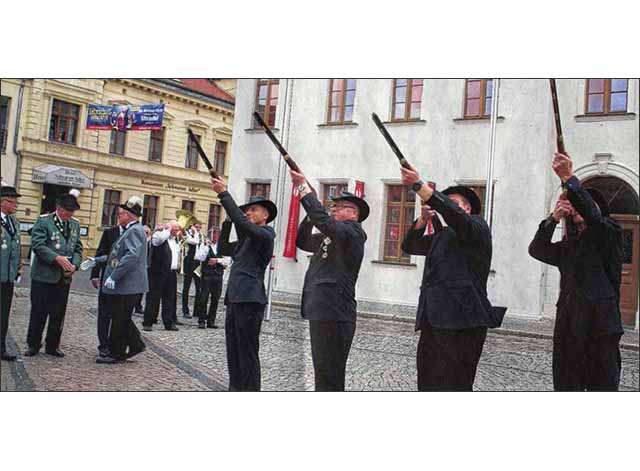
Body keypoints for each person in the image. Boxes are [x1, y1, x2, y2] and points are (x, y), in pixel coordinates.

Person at [400, 167, 506, 391]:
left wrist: (420, 186)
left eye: (453, 202)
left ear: (467, 207)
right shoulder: (443, 236)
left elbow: (457, 217)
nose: (445, 206)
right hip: (434, 320)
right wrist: (421, 221)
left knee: (455, 386)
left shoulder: (478, 227)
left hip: (463, 322)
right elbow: (410, 246)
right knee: (427, 384)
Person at [529, 152, 624, 391]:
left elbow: (594, 218)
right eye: (574, 205)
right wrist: (554, 217)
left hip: (600, 327)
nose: (576, 208)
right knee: (566, 385)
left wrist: (569, 178)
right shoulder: (570, 246)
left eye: (580, 203)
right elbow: (537, 250)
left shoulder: (609, 232)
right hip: (569, 326)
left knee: (602, 387)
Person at [290, 170, 369, 391]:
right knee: (322, 373)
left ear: (353, 213)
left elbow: (325, 222)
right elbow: (303, 241)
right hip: (322, 309)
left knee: (331, 374)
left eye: (339, 206)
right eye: (332, 206)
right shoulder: (332, 234)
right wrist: (309, 217)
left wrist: (304, 188)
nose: (333, 209)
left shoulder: (352, 232)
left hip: (336, 313)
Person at [213, 177, 276, 392]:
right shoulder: (246, 240)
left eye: (254, 210)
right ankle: (235, 388)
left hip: (250, 299)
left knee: (248, 351)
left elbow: (246, 226)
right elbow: (222, 248)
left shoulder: (266, 234)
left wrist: (224, 195)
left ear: (265, 215)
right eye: (247, 210)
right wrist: (228, 221)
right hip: (235, 298)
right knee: (234, 349)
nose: (249, 213)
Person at [25, 190, 83, 357]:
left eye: (72, 211)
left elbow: (78, 248)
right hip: (43, 276)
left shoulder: (74, 224)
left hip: (63, 278)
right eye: (67, 211)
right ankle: (33, 344)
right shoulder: (44, 222)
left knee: (58, 313)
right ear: (58, 208)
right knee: (38, 312)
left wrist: (75, 265)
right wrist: (56, 258)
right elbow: (38, 244)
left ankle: (53, 345)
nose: (69, 214)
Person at [95, 196, 148, 364]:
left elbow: (131, 256)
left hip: (127, 283)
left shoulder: (134, 230)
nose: (119, 216)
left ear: (130, 216)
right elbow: (116, 254)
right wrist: (97, 261)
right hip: (126, 284)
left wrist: (113, 276)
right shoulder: (131, 230)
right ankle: (135, 344)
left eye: (122, 214)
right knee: (122, 317)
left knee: (119, 319)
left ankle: (116, 353)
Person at [142, 220, 182, 331]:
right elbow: (158, 240)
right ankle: (148, 322)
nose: (177, 232)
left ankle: (169, 322)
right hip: (158, 272)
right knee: (153, 298)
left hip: (171, 272)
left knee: (169, 299)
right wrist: (167, 229)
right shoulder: (159, 235)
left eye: (177, 229)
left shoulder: (175, 240)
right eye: (175, 229)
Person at [90, 217, 121, 358]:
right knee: (104, 313)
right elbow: (100, 252)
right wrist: (95, 274)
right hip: (107, 276)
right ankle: (103, 345)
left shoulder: (133, 232)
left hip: (124, 280)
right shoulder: (110, 232)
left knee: (119, 314)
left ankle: (116, 344)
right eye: (120, 215)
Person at [1, 186, 22, 361]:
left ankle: (1, 348)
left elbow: (16, 249)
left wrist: (17, 270)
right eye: (12, 202)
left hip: (7, 277)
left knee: (3, 313)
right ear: (3, 202)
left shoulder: (14, 222)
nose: (15, 205)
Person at [193, 227, 228, 329]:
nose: (215, 237)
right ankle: (201, 320)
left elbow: (227, 261)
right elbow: (199, 257)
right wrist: (205, 247)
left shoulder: (222, 247)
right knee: (203, 298)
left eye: (216, 234)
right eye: (213, 234)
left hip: (218, 275)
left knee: (215, 299)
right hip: (207, 275)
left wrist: (217, 260)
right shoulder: (205, 245)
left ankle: (211, 321)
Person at [182, 221, 203, 319]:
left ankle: (197, 310)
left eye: (199, 227)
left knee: (199, 287)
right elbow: (194, 242)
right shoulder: (186, 233)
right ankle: (185, 310)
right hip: (189, 262)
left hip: (197, 262)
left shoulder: (201, 235)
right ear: (192, 226)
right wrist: (195, 233)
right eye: (196, 227)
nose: (198, 229)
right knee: (186, 286)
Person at [133, 224, 151, 314]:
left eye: (147, 232)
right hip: (137, 267)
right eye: (145, 232)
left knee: (141, 289)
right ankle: (134, 305)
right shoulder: (138, 241)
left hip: (147, 267)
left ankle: (138, 306)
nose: (146, 234)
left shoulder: (151, 242)